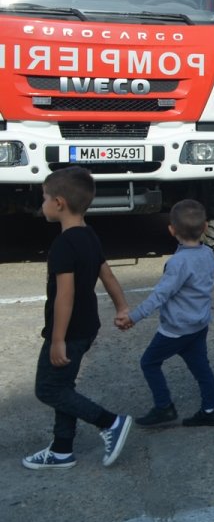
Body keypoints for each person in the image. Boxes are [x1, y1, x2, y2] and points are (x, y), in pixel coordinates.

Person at [23, 166, 133, 470]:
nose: (41, 203)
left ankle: (110, 422)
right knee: (63, 387)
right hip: (87, 327)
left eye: (44, 197)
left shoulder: (63, 245)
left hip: (68, 331)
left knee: (48, 388)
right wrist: (122, 307)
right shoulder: (88, 235)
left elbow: (65, 296)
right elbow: (107, 274)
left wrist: (57, 339)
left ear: (58, 203)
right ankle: (61, 449)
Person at [115, 200, 214, 428]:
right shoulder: (208, 254)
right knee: (201, 368)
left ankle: (164, 407)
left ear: (171, 230)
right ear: (205, 227)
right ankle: (211, 410)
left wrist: (133, 316)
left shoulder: (178, 262)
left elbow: (160, 296)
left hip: (176, 330)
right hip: (199, 325)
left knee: (149, 363)